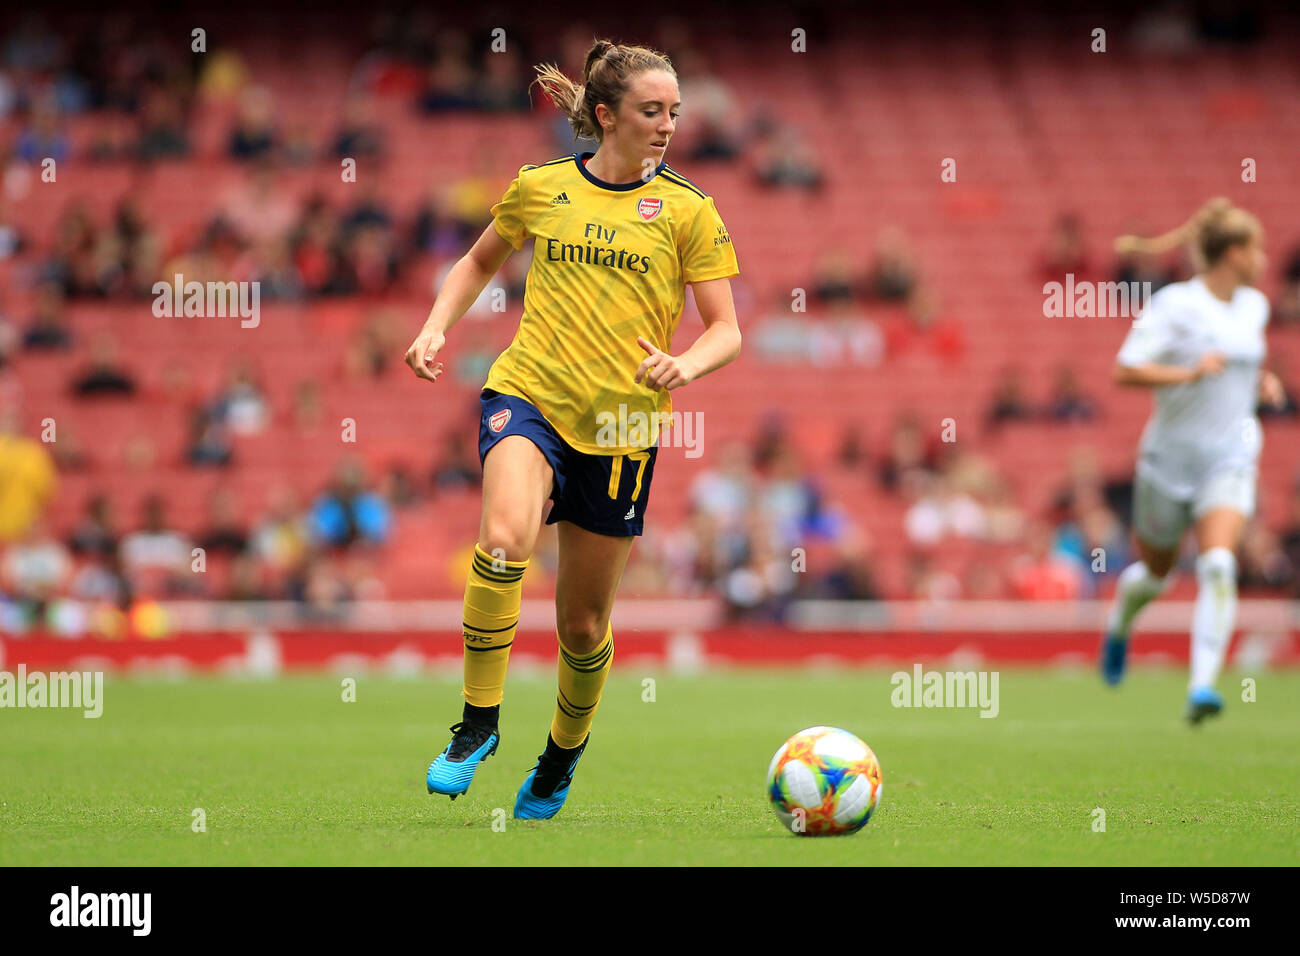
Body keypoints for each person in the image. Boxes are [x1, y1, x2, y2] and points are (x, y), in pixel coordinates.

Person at [403, 39, 740, 818]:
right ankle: (476, 726)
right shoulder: (541, 187)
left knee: (584, 626)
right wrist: (434, 328)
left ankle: (559, 759)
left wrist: (686, 365)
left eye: (674, 114)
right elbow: (478, 262)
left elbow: (727, 328)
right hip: (530, 397)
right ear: (604, 115)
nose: (667, 126)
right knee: (502, 542)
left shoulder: (688, 209)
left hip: (622, 426)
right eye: (652, 111)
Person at [1101, 198, 1286, 723]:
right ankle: (1119, 625)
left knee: (1219, 562)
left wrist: (1260, 381)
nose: (1263, 257)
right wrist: (1191, 374)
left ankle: (1202, 685)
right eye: (1255, 247)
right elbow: (1125, 371)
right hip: (1168, 461)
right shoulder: (1176, 306)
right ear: (1232, 252)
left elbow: (1246, 361)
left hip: (1229, 457)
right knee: (1156, 575)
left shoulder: (1254, 306)